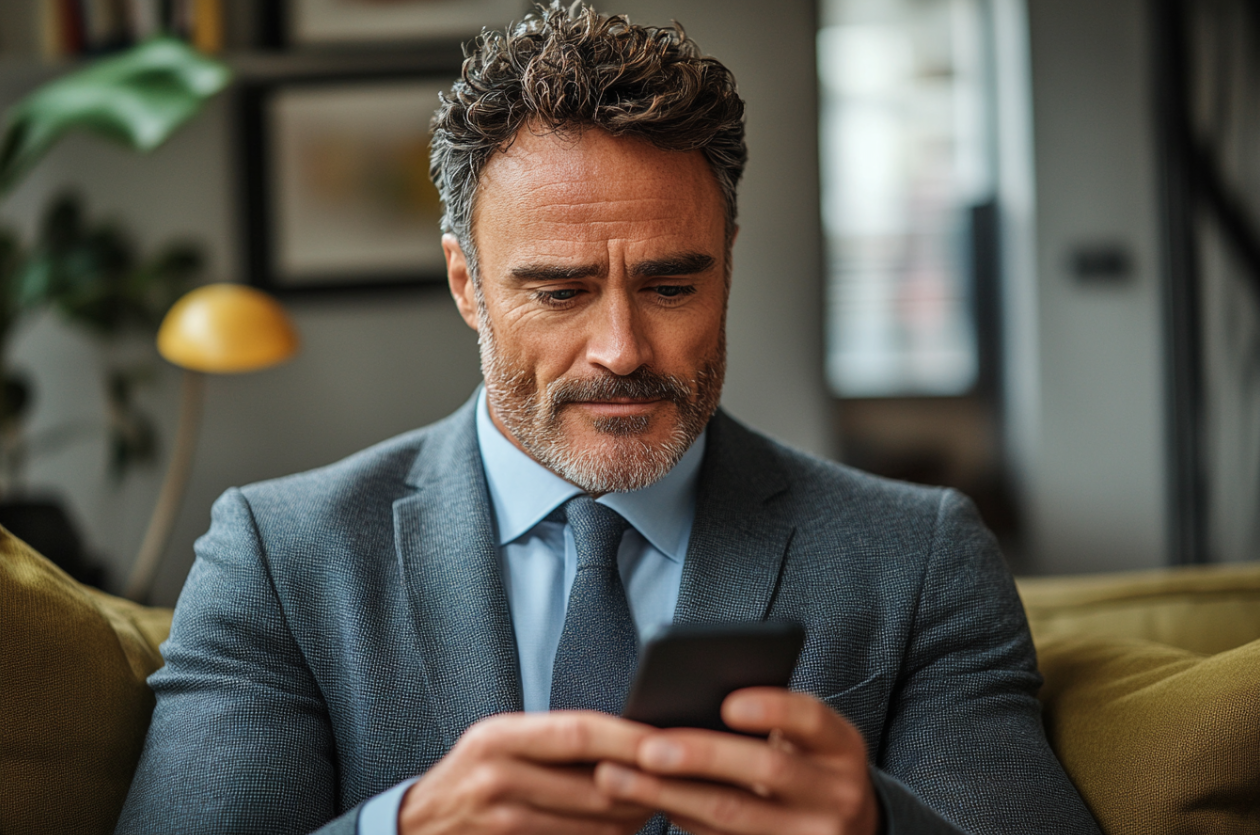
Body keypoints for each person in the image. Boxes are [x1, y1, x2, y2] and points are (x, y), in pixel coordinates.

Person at [117, 5, 1100, 835]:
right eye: (560, 291)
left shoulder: (919, 555)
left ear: (729, 259)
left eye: (673, 284)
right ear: (467, 285)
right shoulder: (277, 558)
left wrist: (881, 826)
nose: (623, 348)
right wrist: (403, 826)